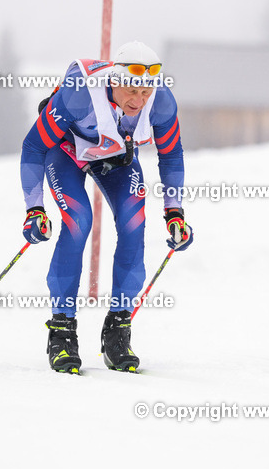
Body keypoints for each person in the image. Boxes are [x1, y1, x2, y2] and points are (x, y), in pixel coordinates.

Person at [19, 42, 193, 374]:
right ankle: (62, 330)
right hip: (67, 152)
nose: (139, 101)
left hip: (115, 159)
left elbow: (171, 154)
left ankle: (118, 329)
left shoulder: (161, 101)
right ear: (114, 80)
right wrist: (34, 209)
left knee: (134, 223)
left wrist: (175, 212)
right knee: (78, 220)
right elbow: (33, 145)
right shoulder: (79, 93)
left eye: (146, 93)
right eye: (132, 90)